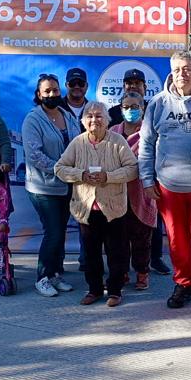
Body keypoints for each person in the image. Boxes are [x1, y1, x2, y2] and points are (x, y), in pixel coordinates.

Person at [139, 51, 191, 310]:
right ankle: (183, 284)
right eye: (176, 69)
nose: (181, 74)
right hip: (169, 185)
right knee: (176, 239)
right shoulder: (158, 103)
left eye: (187, 68)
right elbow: (146, 143)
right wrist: (147, 179)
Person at [55, 102, 138, 307]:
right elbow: (60, 168)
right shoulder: (78, 142)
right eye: (90, 116)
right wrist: (80, 175)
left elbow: (132, 169)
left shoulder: (117, 141)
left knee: (116, 252)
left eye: (99, 116)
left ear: (107, 120)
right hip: (86, 210)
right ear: (83, 121)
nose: (94, 120)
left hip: (113, 208)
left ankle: (115, 291)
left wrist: (108, 177)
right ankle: (94, 290)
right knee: (91, 254)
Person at [22, 73, 82, 298]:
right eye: (47, 91)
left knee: (60, 232)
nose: (52, 94)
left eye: (55, 90)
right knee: (53, 232)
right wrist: (61, 169)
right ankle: (42, 278)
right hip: (43, 187)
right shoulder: (33, 120)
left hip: (66, 185)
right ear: (39, 95)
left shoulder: (68, 115)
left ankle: (55, 274)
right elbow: (34, 155)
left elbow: (78, 144)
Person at [110, 92, 156, 291]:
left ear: (142, 109)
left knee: (141, 238)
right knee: (118, 238)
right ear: (121, 109)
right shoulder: (112, 132)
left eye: (135, 107)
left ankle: (142, 272)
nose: (130, 110)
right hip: (117, 193)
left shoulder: (150, 132)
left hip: (141, 193)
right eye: (126, 107)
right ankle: (122, 272)